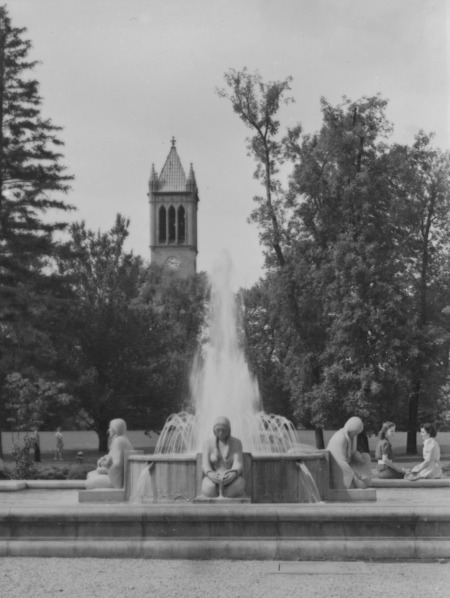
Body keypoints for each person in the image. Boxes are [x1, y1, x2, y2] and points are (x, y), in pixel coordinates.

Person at [201, 416, 246, 498]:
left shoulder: (237, 443)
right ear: (214, 430)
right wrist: (210, 474)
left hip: (232, 478)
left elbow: (238, 463)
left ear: (229, 430)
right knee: (209, 489)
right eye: (218, 430)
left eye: (223, 430)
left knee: (235, 489)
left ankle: (226, 493)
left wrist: (233, 473)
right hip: (213, 478)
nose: (221, 433)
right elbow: (205, 464)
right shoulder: (207, 443)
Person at [86, 418, 133, 489]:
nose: (109, 430)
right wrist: (103, 461)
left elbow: (117, 465)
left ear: (116, 429)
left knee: (89, 483)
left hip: (115, 481)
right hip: (114, 476)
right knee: (90, 474)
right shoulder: (122, 439)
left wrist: (104, 469)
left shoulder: (119, 441)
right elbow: (111, 459)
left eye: (110, 428)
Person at [326, 416, 372, 489]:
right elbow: (338, 461)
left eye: (357, 433)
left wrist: (359, 458)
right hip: (338, 470)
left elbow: (351, 453)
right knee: (360, 485)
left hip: (347, 466)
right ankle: (355, 482)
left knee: (366, 457)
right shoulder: (340, 438)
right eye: (355, 432)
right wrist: (353, 476)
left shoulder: (349, 437)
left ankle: (364, 479)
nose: (356, 435)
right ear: (351, 429)